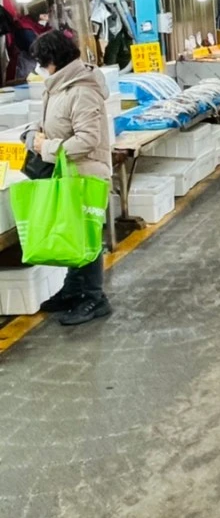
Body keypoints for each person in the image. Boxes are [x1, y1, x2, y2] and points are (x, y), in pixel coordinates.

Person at [31, 30, 113, 326]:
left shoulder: (82, 90)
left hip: (86, 175)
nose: (40, 68)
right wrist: (33, 134)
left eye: (42, 62)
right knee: (73, 232)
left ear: (53, 60)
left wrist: (47, 147)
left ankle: (94, 297)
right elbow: (54, 122)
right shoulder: (59, 87)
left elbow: (88, 139)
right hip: (68, 173)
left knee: (87, 237)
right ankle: (73, 289)